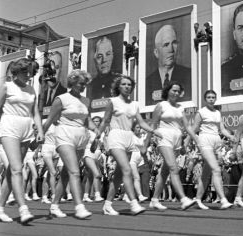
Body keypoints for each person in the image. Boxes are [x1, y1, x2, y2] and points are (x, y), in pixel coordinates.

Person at [97, 75, 160, 215]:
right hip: (115, 136)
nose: (127, 87)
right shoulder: (112, 101)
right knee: (127, 170)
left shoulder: (135, 104)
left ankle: (107, 205)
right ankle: (133, 203)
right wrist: (97, 135)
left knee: (119, 175)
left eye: (129, 85)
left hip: (129, 138)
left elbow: (141, 122)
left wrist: (154, 131)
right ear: (118, 87)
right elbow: (105, 120)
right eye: (124, 84)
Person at [43, 70, 98, 219]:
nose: (83, 87)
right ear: (72, 83)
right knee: (75, 172)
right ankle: (79, 206)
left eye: (85, 84)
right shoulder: (61, 99)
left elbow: (88, 121)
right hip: (64, 135)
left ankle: (54, 206)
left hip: (81, 137)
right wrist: (39, 136)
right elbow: (49, 121)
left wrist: (97, 132)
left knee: (67, 174)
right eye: (81, 84)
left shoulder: (86, 101)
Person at [0, 58, 44, 224]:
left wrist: (40, 130)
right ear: (15, 72)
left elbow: (36, 112)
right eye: (24, 71)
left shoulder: (31, 90)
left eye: (29, 71)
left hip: (26, 128)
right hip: (9, 126)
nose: (28, 74)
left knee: (12, 171)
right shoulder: (6, 86)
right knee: (18, 169)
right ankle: (23, 208)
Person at [148, 81, 197, 211]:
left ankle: (154, 200)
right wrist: (146, 143)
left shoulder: (181, 108)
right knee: (173, 168)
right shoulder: (161, 105)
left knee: (164, 172)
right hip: (164, 137)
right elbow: (152, 125)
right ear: (167, 91)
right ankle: (183, 198)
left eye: (177, 91)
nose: (175, 93)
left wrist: (195, 138)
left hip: (177, 140)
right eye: (173, 90)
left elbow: (187, 126)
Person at [190, 90, 235, 210]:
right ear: (205, 99)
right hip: (205, 141)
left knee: (206, 174)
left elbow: (222, 129)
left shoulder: (218, 113)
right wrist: (185, 141)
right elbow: (194, 128)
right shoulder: (201, 112)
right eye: (209, 97)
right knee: (216, 169)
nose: (211, 99)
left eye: (213, 97)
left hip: (216, 142)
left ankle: (198, 199)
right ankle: (223, 199)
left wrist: (231, 136)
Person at [146, 25, 191, 104]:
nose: (171, 50)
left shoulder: (189, 76)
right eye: (166, 45)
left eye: (174, 43)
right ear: (156, 52)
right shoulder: (147, 83)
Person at [89, 36, 119, 100]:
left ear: (112, 56)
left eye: (108, 54)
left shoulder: (120, 82)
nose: (104, 60)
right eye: (99, 56)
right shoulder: (90, 85)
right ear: (94, 59)